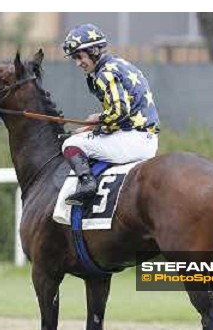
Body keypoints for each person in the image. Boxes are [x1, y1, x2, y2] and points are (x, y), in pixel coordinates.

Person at [61, 23, 160, 206]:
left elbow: (120, 112)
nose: (78, 63)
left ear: (94, 51)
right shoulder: (120, 64)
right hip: (146, 139)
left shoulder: (104, 73)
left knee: (70, 144)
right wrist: (91, 128)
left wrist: (97, 119)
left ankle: (87, 186)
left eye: (79, 56)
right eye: (74, 58)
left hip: (131, 141)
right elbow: (124, 114)